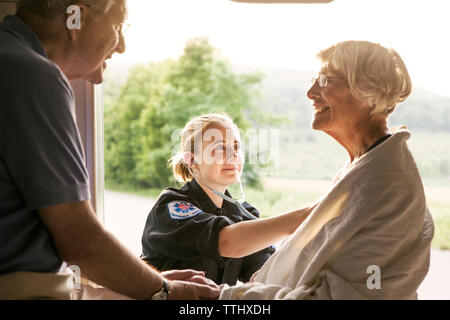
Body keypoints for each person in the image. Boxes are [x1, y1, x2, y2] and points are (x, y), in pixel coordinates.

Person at [0, 0, 219, 300]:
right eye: (118, 25)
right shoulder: (32, 75)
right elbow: (79, 242)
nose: (123, 45)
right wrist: (170, 291)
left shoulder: (10, 58)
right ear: (75, 17)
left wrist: (145, 280)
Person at [220, 40, 435, 300]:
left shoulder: (384, 184)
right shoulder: (365, 164)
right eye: (314, 79)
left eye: (325, 80)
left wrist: (227, 297)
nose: (310, 92)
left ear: (368, 91)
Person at [141, 113, 316, 285]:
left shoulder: (245, 214)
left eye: (236, 147)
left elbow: (262, 272)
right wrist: (301, 218)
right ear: (193, 160)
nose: (233, 155)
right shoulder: (170, 206)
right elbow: (227, 242)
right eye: (219, 147)